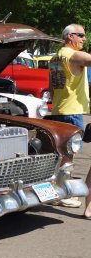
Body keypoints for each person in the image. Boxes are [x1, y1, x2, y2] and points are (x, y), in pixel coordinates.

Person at [48, 24, 91, 212]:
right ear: (70, 36)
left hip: (58, 109)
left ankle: (55, 190)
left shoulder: (55, 57)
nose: (84, 39)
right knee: (69, 155)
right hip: (72, 111)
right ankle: (62, 193)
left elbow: (51, 87)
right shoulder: (73, 55)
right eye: (81, 35)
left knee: (59, 154)